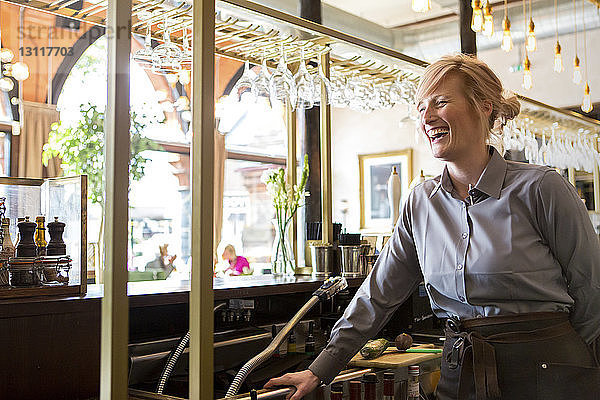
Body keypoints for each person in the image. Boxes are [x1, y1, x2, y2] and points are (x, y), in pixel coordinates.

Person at [265, 54, 600, 400]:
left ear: (484, 106)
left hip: (547, 372)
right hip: (460, 369)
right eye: (421, 107)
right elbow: (378, 295)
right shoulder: (420, 202)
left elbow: (593, 289)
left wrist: (563, 361)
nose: (426, 117)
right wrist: (320, 369)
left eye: (440, 102)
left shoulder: (541, 188)